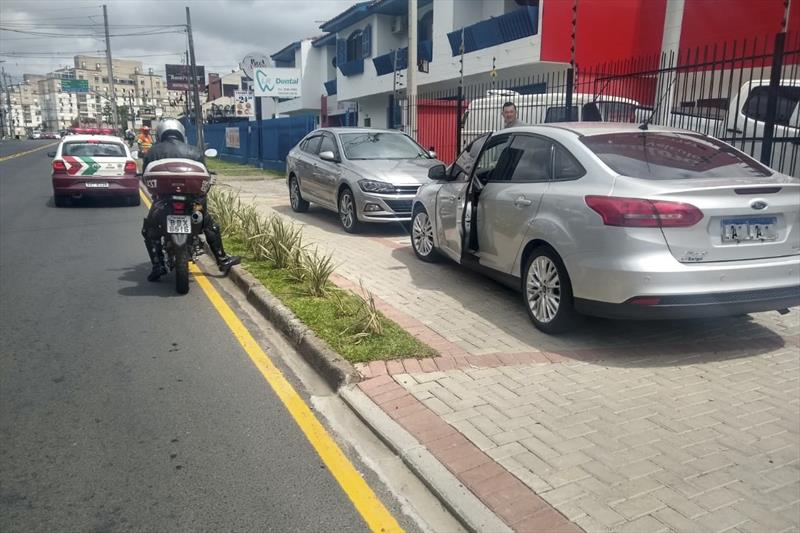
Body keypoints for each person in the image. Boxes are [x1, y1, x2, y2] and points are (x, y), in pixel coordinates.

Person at [141, 118, 240, 282]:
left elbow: (145, 176)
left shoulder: (153, 152)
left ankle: (157, 265)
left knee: (149, 230)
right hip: (191, 200)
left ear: (160, 134)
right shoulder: (194, 151)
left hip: (163, 201)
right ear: (181, 133)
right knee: (208, 223)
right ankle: (222, 260)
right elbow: (205, 176)